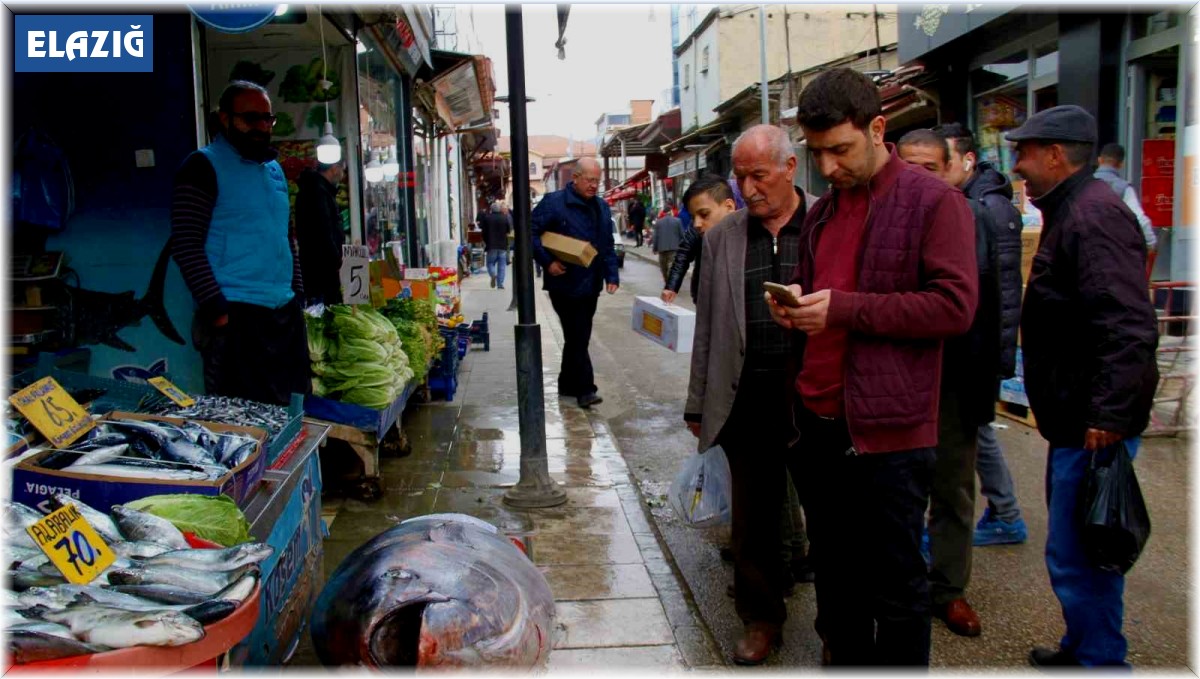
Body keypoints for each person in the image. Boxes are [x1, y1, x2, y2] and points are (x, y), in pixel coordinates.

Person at [767, 68, 977, 667]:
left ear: (878, 128)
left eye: (841, 150)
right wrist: (801, 309)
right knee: (835, 575)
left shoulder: (936, 203)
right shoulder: (824, 213)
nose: (828, 168)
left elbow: (954, 306)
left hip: (890, 433)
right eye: (817, 153)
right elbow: (831, 299)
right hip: (820, 423)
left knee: (897, 583)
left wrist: (844, 310)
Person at [1006, 105, 1159, 668]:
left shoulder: (1092, 215)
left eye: (1025, 152)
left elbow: (1127, 324)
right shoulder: (1075, 210)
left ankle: (1100, 661)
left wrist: (1109, 415)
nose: (1018, 164)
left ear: (1055, 154)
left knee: (1083, 552)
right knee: (1074, 548)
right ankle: (1084, 647)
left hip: (1093, 423)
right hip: (1078, 415)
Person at [685, 124, 815, 665]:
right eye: (740, 177)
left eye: (758, 175)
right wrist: (698, 404)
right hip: (749, 396)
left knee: (833, 516)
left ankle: (842, 624)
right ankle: (761, 618)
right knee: (754, 521)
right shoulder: (722, 238)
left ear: (789, 167)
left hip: (818, 396)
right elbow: (709, 329)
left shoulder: (828, 223)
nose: (748, 188)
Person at [898, 129, 1002, 639]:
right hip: (895, 379)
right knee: (897, 487)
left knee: (955, 488)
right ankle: (902, 584)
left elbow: (997, 304)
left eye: (930, 169)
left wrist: (991, 382)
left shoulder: (973, 218)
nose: (919, 179)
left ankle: (949, 589)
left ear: (953, 171)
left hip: (956, 379)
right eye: (909, 167)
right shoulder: (883, 220)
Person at [171, 80, 311, 406]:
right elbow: (186, 243)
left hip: (283, 314)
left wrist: (298, 294)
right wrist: (218, 312)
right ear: (225, 119)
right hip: (236, 317)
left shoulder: (274, 169)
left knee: (293, 412)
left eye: (268, 119)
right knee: (244, 420)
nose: (262, 127)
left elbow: (285, 236)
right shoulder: (201, 166)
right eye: (251, 118)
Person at [934, 121, 1029, 547]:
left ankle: (1007, 514)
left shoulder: (986, 209)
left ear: (966, 160)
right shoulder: (970, 201)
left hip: (975, 348)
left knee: (976, 434)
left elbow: (1001, 292)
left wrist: (995, 358)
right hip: (972, 348)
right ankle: (1004, 512)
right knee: (977, 433)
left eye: (942, 162)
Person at [531, 157, 620, 409]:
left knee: (577, 336)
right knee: (578, 334)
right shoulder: (554, 203)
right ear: (576, 178)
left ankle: (566, 383)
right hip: (564, 283)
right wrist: (548, 262)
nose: (594, 185)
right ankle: (585, 389)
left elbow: (607, 246)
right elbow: (530, 232)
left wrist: (611, 275)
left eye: (597, 181)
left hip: (591, 284)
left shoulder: (601, 207)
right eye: (590, 180)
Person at [662, 175, 735, 304]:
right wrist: (671, 286)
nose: (697, 223)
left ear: (729, 207)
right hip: (704, 298)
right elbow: (683, 255)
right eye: (693, 217)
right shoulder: (696, 230)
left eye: (704, 214)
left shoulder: (749, 233)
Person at [295, 158, 345, 307]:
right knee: (324, 311)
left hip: (313, 267)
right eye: (342, 170)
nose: (342, 175)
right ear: (335, 168)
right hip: (321, 270)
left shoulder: (312, 189)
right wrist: (337, 260)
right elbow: (325, 231)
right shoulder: (318, 192)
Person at [1096, 143, 1158, 261]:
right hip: (1113, 254)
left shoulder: (1084, 185)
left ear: (1099, 160)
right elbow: (1139, 219)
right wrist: (1151, 243)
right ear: (1121, 164)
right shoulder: (1123, 189)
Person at [480, 200, 512, 289]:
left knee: (490, 263)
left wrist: (486, 241)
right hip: (502, 245)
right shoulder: (504, 218)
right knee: (502, 265)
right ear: (499, 209)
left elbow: (483, 233)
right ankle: (500, 284)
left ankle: (493, 274)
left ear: (491, 209)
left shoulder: (487, 218)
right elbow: (508, 231)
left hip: (491, 245)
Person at [651, 203, 684, 285]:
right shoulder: (677, 221)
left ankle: (667, 282)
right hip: (674, 248)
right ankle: (671, 284)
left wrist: (654, 248)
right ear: (671, 212)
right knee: (671, 266)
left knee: (664, 268)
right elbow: (682, 235)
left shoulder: (658, 223)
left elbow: (655, 237)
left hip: (662, 249)